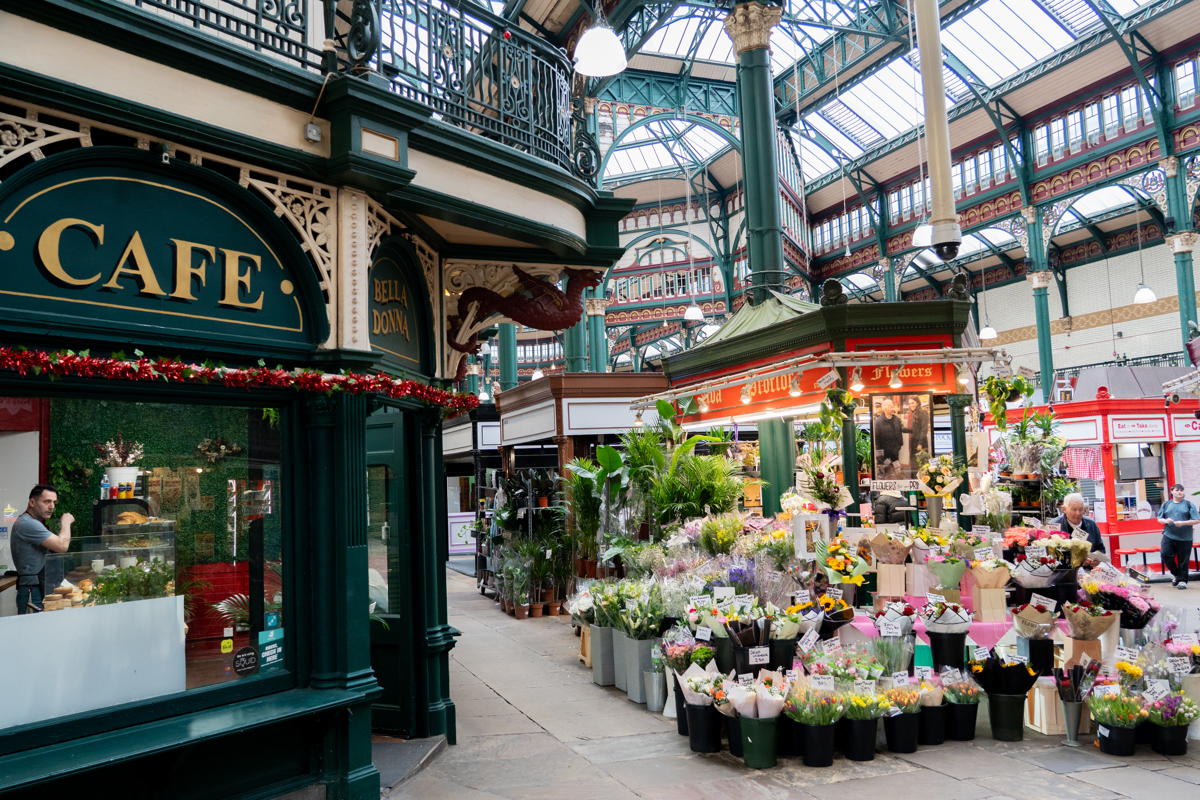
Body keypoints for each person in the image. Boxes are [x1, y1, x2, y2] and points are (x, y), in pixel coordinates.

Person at [12, 484, 73, 614]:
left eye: (54, 502)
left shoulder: (27, 522)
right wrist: (66, 522)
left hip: (33, 587)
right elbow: (62, 546)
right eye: (47, 501)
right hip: (32, 590)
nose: (52, 506)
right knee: (32, 631)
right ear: (32, 502)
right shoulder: (29, 523)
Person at [1156, 483, 1199, 589]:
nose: (1179, 492)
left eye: (1181, 490)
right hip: (1169, 535)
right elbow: (1159, 519)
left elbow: (1197, 520)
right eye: (1177, 490)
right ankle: (1175, 574)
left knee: (1183, 560)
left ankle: (1182, 580)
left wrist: (1183, 523)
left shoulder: (1189, 504)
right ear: (1172, 492)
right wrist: (1166, 520)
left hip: (1185, 537)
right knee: (1165, 554)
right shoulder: (1166, 504)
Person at [1050, 493, 1107, 568]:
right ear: (1064, 509)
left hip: (1087, 574)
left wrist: (1097, 558)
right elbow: (1049, 555)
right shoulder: (1054, 525)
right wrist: (1076, 560)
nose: (1078, 513)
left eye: (1081, 509)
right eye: (1074, 510)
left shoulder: (1092, 525)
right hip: (1062, 573)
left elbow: (1101, 549)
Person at [873, 399, 909, 476]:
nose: (893, 409)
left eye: (893, 407)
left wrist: (899, 446)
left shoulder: (897, 420)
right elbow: (876, 438)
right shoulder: (878, 421)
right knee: (887, 474)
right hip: (884, 454)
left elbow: (899, 434)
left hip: (895, 452)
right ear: (885, 409)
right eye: (891, 407)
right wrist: (880, 452)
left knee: (897, 473)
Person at [905, 397, 930, 463]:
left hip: (921, 443)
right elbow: (914, 430)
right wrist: (902, 429)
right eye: (910, 403)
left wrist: (920, 443)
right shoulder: (914, 414)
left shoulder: (923, 412)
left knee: (922, 464)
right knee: (915, 464)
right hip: (915, 442)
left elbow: (924, 428)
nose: (911, 405)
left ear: (918, 403)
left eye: (913, 403)